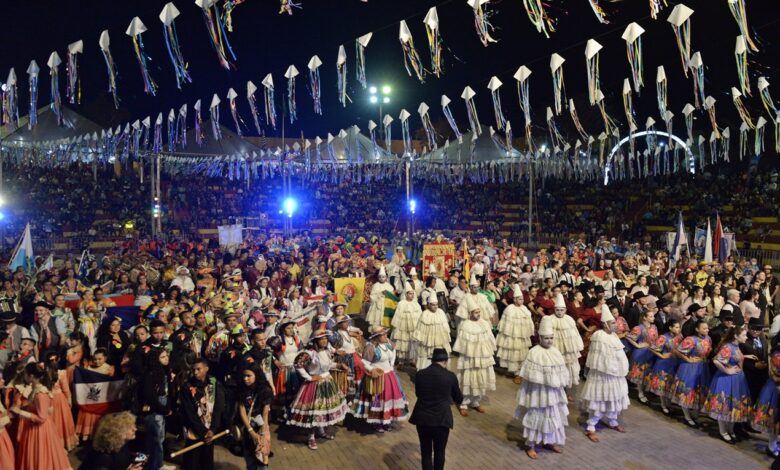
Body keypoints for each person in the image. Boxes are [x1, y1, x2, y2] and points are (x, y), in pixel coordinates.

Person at [514, 315, 569, 459]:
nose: (549, 341)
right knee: (537, 416)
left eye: (551, 338)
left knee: (552, 416)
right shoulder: (534, 352)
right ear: (540, 338)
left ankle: (548, 440)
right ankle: (531, 444)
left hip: (552, 393)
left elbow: (561, 373)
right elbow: (530, 376)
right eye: (546, 338)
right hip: (539, 393)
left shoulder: (556, 352)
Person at [286, 327, 349, 450]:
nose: (325, 341)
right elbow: (297, 365)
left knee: (324, 410)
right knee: (314, 412)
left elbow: (328, 364)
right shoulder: (309, 353)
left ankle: (321, 431)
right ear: (315, 341)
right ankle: (311, 437)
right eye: (321, 339)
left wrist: (339, 365)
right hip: (315, 386)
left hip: (328, 382)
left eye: (326, 338)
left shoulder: (326, 352)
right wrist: (309, 377)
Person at [580, 304, 630, 442]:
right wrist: (611, 368)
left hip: (615, 375)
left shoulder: (614, 335)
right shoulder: (599, 336)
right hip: (603, 374)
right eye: (612, 322)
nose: (615, 324)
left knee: (615, 397)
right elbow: (599, 358)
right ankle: (591, 426)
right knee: (600, 398)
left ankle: (613, 421)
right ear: (605, 324)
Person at [408, 348, 463, 470]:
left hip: (422, 418)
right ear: (445, 361)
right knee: (440, 452)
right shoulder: (450, 376)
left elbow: (418, 393)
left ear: (432, 361)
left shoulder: (420, 374)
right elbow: (459, 399)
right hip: (442, 419)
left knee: (426, 452)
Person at [12, 362, 72, 470]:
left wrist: (19, 412)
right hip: (33, 428)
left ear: (31, 376)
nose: (24, 376)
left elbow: (42, 418)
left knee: (41, 454)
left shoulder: (41, 393)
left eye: (25, 374)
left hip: (40, 430)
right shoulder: (35, 388)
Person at [354, 326, 409, 432]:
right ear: (376, 337)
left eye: (385, 334)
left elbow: (393, 353)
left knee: (388, 398)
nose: (385, 336)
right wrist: (372, 370)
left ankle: (386, 420)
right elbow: (364, 362)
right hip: (377, 378)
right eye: (383, 334)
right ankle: (377, 422)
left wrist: (391, 366)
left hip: (389, 376)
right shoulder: (371, 347)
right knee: (378, 399)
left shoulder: (388, 344)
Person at [704, 325, 752, 443]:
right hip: (727, 379)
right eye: (744, 335)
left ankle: (730, 430)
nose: (746, 337)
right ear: (736, 336)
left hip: (736, 379)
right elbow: (716, 360)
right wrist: (727, 370)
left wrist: (744, 357)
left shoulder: (735, 346)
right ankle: (723, 431)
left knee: (733, 405)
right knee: (725, 404)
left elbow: (732, 357)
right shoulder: (728, 347)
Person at [178, 358, 225, 470]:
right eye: (193, 369)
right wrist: (203, 432)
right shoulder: (186, 387)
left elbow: (218, 408)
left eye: (198, 369)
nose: (195, 372)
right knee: (192, 462)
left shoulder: (215, 384)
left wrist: (213, 429)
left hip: (210, 431)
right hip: (194, 431)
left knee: (207, 462)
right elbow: (189, 413)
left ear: (206, 369)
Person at [453, 300, 496, 416]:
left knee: (480, 378)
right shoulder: (465, 325)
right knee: (468, 378)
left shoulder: (484, 323)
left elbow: (490, 339)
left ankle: (475, 402)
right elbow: (462, 344)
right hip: (470, 358)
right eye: (475, 312)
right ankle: (463, 403)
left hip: (482, 357)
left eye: (479, 312)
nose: (478, 314)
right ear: (470, 313)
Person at [670, 320, 713, 427]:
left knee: (699, 392)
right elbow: (677, 351)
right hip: (690, 368)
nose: (707, 330)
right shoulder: (690, 339)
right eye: (704, 328)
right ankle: (687, 416)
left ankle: (695, 415)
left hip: (702, 367)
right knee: (688, 391)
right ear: (697, 329)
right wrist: (688, 360)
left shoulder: (708, 338)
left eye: (707, 328)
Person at [140, 347, 172, 470]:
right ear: (156, 359)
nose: (166, 359)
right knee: (156, 439)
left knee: (158, 437)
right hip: (155, 408)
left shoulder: (163, 371)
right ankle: (157, 466)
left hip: (161, 404)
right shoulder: (151, 373)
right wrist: (163, 409)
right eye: (162, 357)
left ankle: (153, 464)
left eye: (166, 356)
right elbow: (150, 396)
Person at [643, 319, 683, 415]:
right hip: (664, 363)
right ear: (670, 328)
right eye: (676, 327)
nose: (678, 329)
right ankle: (663, 405)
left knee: (670, 383)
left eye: (679, 327)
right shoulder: (663, 337)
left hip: (675, 362)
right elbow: (652, 348)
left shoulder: (680, 337)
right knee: (663, 384)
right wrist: (661, 355)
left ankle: (668, 404)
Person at [238, 363, 273, 470]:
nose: (245, 379)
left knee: (262, 457)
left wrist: (263, 433)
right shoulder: (242, 388)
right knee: (249, 457)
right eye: (244, 376)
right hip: (247, 426)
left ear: (257, 375)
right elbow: (242, 410)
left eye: (249, 376)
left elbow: (265, 413)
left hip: (261, 426)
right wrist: (250, 431)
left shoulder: (265, 390)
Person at [496, 286, 534, 384]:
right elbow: (505, 324)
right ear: (515, 299)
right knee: (512, 352)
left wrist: (527, 332)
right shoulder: (509, 309)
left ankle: (519, 373)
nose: (521, 301)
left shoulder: (525, 309)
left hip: (521, 335)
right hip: (512, 335)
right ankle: (514, 371)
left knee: (521, 353)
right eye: (519, 299)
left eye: (522, 299)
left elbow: (529, 323)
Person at [550, 294, 583, 400]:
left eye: (562, 310)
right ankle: (556, 391)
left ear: (565, 310)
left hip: (568, 350)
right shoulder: (550, 320)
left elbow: (575, 335)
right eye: (557, 310)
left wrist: (575, 348)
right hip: (556, 348)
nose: (559, 312)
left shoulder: (569, 320)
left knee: (568, 370)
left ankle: (566, 391)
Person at [752, 335, 780, 457]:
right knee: (774, 419)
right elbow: (775, 375)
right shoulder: (777, 355)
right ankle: (772, 446)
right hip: (775, 389)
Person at [626, 309, 658, 404]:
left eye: (653, 316)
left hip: (651, 352)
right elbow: (628, 336)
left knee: (648, 373)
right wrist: (637, 345)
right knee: (640, 373)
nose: (653, 318)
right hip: (641, 353)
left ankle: (644, 391)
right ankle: (640, 393)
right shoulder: (638, 328)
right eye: (651, 316)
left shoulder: (654, 327)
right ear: (645, 317)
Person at [413, 298, 451, 370]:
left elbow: (445, 329)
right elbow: (420, 331)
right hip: (428, 343)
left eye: (436, 304)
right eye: (433, 305)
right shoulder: (425, 314)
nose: (435, 306)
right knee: (427, 358)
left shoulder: (441, 313)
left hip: (440, 341)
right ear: (429, 305)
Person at [391, 283, 423, 366]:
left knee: (412, 342)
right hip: (403, 326)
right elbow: (397, 315)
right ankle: (401, 361)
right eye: (410, 293)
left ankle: (412, 359)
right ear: (406, 294)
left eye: (412, 293)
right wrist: (395, 326)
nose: (411, 295)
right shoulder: (401, 303)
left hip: (413, 327)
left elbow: (420, 316)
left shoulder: (416, 304)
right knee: (402, 342)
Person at [742, 318, 769, 405]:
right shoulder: (743, 339)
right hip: (748, 376)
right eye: (752, 328)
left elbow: (765, 356)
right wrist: (754, 365)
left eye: (758, 329)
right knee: (749, 399)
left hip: (763, 376)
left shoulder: (764, 340)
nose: (755, 331)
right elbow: (738, 358)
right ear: (748, 327)